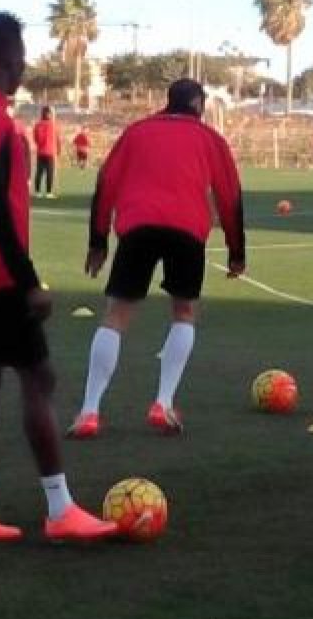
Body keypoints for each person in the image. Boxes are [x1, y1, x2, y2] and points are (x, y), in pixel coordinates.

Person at [0, 11, 116, 543]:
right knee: (39, 379)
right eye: (21, 56)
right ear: (8, 60)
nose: (24, 65)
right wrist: (29, 281)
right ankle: (60, 509)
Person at [67, 78, 246, 439]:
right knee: (184, 312)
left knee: (116, 316)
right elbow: (230, 195)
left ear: (169, 100)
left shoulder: (137, 131)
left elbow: (106, 182)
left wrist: (98, 241)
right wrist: (236, 250)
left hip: (138, 228)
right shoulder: (210, 139)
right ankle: (162, 403)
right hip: (187, 230)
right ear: (199, 104)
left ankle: (89, 411)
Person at [31, 107, 60, 198]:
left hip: (41, 152)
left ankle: (37, 192)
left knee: (39, 172)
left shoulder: (38, 125)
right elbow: (57, 139)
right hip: (50, 152)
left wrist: (39, 145)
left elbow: (36, 138)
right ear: (49, 114)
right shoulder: (53, 125)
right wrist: (58, 150)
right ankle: (48, 192)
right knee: (49, 172)